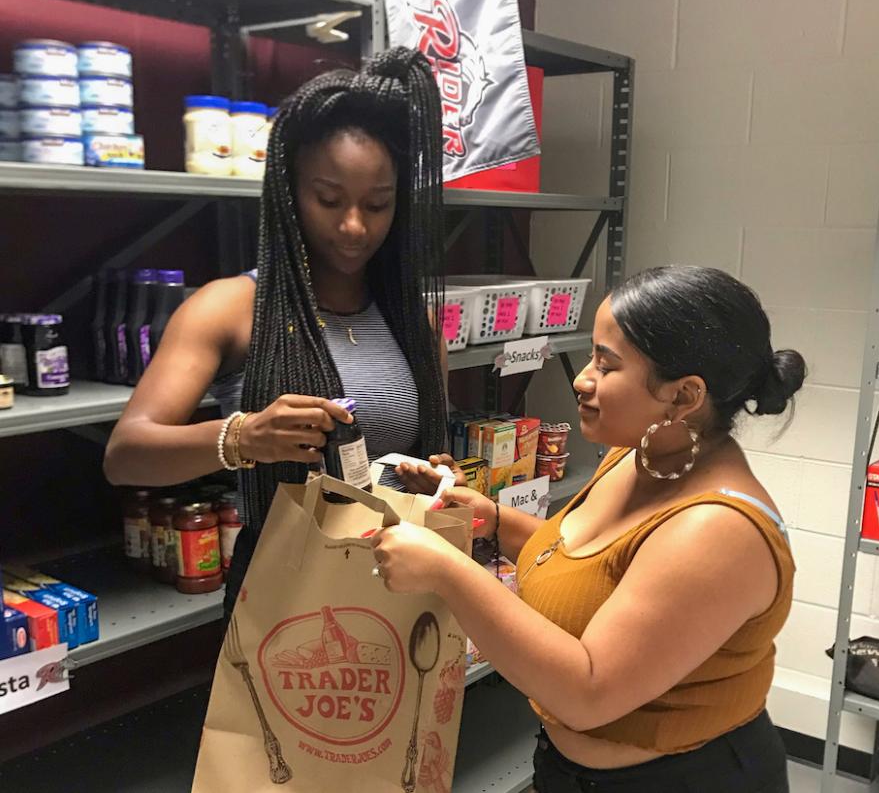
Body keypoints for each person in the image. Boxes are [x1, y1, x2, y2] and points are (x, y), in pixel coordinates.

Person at [371, 266, 804, 793]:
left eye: (607, 363)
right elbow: (590, 570)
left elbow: (588, 692)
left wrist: (447, 572)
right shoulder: (636, 454)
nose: (582, 378)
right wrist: (496, 520)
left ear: (685, 396)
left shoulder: (716, 532)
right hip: (569, 770)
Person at [104, 47, 457, 615]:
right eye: (328, 199)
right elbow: (126, 455)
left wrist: (433, 477)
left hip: (396, 581)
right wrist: (244, 437)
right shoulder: (229, 308)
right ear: (289, 193)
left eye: (378, 204)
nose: (353, 225)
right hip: (282, 592)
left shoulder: (415, 320)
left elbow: (423, 454)